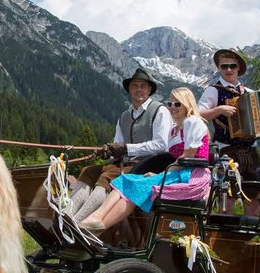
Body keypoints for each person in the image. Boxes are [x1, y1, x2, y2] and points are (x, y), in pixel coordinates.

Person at [80, 87, 210, 231]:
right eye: (170, 104)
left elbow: (187, 157)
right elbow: (169, 157)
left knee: (137, 187)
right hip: (177, 173)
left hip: (191, 176)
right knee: (124, 180)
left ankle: (99, 227)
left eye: (177, 104)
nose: (172, 107)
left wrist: (161, 174)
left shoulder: (192, 122)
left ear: (187, 104)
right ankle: (96, 219)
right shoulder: (174, 130)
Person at [71, 68, 172, 222]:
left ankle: (78, 222)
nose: (139, 89)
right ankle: (67, 215)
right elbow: (117, 145)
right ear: (129, 90)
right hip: (124, 164)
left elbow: (161, 144)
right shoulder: (124, 116)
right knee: (88, 171)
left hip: (149, 165)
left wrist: (127, 148)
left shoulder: (160, 110)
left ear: (149, 90)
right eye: (135, 86)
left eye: (143, 86)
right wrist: (108, 152)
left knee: (107, 176)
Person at [198, 49, 260, 215]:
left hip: (251, 151)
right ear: (219, 68)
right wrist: (219, 109)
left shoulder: (250, 93)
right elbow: (197, 114)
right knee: (226, 198)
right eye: (224, 66)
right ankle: (223, 230)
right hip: (226, 150)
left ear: (238, 68)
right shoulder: (213, 90)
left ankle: (247, 230)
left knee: (253, 199)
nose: (228, 69)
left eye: (232, 66)